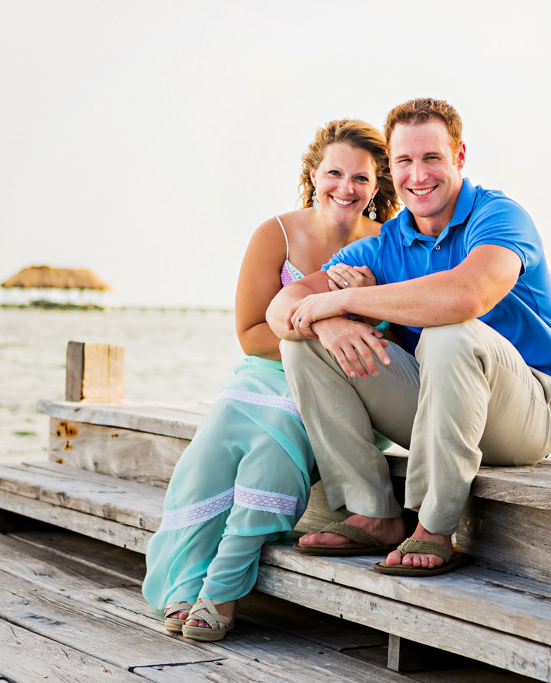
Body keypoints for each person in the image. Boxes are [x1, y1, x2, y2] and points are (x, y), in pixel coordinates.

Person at [267, 98, 551, 577]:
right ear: (392, 166)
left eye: (432, 158)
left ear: (459, 156)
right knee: (302, 342)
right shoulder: (382, 245)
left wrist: (348, 301)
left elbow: (467, 296)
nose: (418, 175)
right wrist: (327, 319)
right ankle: (375, 513)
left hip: (526, 415)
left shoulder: (499, 216)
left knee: (450, 332)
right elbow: (281, 309)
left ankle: (433, 525)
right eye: (404, 161)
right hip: (439, 412)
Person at [142, 119, 398, 641]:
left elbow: (395, 338)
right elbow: (251, 332)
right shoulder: (276, 234)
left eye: (361, 178)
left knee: (274, 439)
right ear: (313, 173)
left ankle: (224, 587)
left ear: (377, 186)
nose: (345, 188)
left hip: (342, 385)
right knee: (212, 446)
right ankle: (185, 582)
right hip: (263, 371)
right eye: (334, 173)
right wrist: (321, 323)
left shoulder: (390, 245)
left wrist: (362, 303)